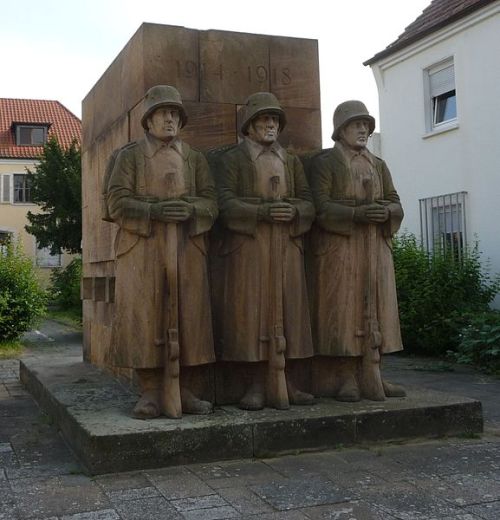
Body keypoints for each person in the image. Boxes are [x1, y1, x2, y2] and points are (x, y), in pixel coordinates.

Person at [106, 85, 218, 419]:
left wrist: (189, 210)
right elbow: (116, 202)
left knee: (189, 316)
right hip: (142, 248)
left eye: (174, 114)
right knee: (146, 316)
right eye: (162, 113)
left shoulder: (194, 158)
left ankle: (184, 389)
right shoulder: (129, 156)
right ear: (148, 120)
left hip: (187, 247)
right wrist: (155, 210)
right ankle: (150, 391)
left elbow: (212, 200)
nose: (169, 119)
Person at [215, 91, 315, 410]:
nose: (271, 125)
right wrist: (259, 213)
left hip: (286, 247)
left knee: (290, 312)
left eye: (275, 120)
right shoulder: (233, 159)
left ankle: (286, 380)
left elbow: (308, 202)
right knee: (250, 316)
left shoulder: (292, 161)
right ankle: (255, 383)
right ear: (249, 126)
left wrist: (295, 212)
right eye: (264, 119)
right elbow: (224, 202)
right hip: (249, 249)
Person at [307, 100, 405, 401]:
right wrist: (356, 215)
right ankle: (346, 376)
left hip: (376, 248)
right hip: (341, 250)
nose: (363, 130)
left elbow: (395, 200)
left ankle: (374, 372)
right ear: (341, 130)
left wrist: (387, 213)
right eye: (356, 124)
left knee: (379, 308)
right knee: (344, 310)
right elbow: (320, 208)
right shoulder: (326, 163)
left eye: (366, 125)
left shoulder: (379, 164)